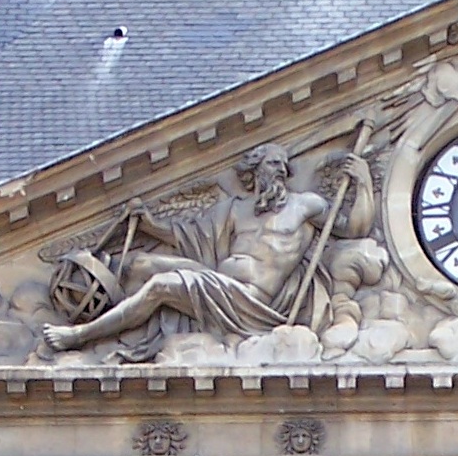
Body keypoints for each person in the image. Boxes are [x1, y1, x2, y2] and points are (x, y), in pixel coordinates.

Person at [41, 142, 381, 354]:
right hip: (220, 282)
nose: (279, 169)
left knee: (162, 286)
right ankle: (101, 312)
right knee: (143, 262)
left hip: (252, 300)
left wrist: (363, 180)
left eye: (282, 164)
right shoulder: (237, 209)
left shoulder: (304, 205)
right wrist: (147, 224)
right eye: (270, 163)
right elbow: (192, 239)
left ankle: (81, 335)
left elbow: (355, 227)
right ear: (254, 171)